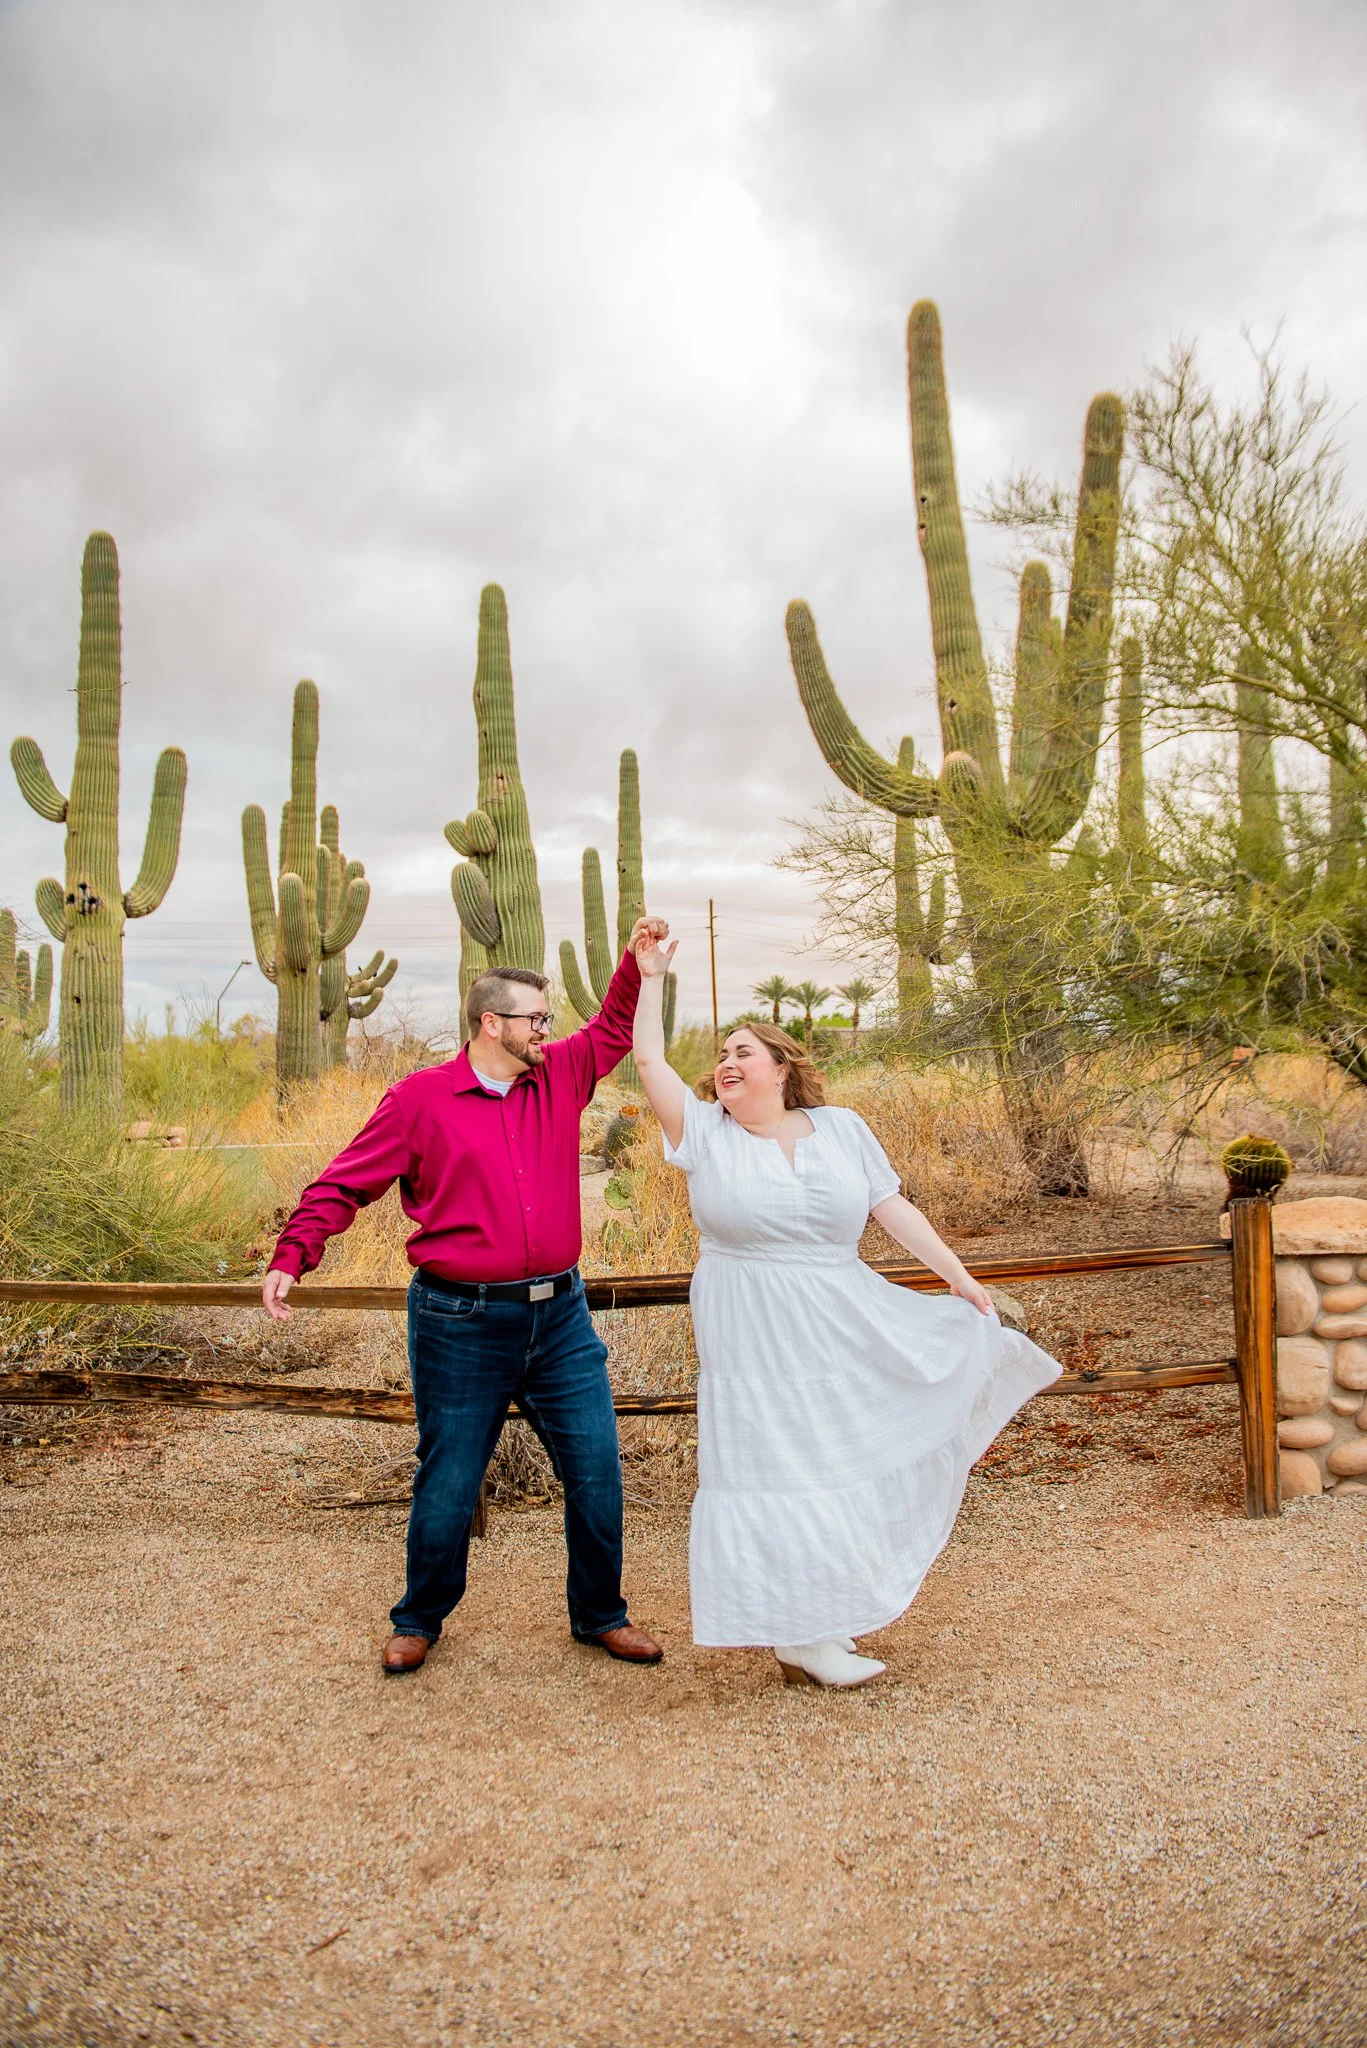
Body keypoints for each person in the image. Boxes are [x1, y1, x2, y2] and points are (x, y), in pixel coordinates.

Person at [631, 929, 1062, 1689]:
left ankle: (818, 1622)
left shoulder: (842, 1129)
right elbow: (648, 1062)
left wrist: (958, 1278)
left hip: (841, 1310)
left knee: (838, 1453)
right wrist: (651, 977)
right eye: (722, 1056)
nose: (726, 1065)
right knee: (774, 1463)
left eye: (742, 1053)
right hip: (749, 1321)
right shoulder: (703, 1133)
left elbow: (890, 1207)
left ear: (781, 1067)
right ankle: (804, 1630)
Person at [261, 923, 670, 1675]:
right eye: (534, 1020)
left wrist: (636, 967)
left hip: (560, 1319)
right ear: (490, 1022)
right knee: (449, 1477)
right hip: (460, 1320)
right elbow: (344, 1182)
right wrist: (295, 1254)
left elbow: (614, 1027)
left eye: (548, 1020)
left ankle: (600, 1615)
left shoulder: (561, 1075)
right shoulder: (420, 1100)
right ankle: (418, 1619)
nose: (548, 1031)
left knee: (595, 1468)